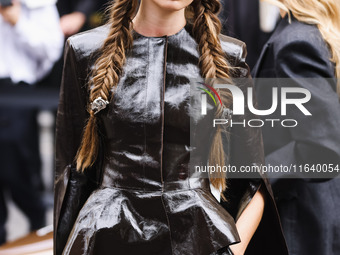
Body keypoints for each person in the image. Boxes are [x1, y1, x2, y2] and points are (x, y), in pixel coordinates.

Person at [54, 0, 288, 254]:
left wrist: (234, 250)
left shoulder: (228, 57)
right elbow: (72, 175)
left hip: (196, 235)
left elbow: (253, 178)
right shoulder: (85, 50)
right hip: (106, 235)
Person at [252, 0, 340, 254]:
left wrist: (254, 176)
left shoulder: (296, 40)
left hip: (299, 218)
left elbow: (321, 146)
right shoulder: (311, 32)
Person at [0, 0, 63, 245]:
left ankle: (37, 231)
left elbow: (49, 51)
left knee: (17, 172)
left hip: (16, 95)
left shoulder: (36, 5)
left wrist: (17, 21)